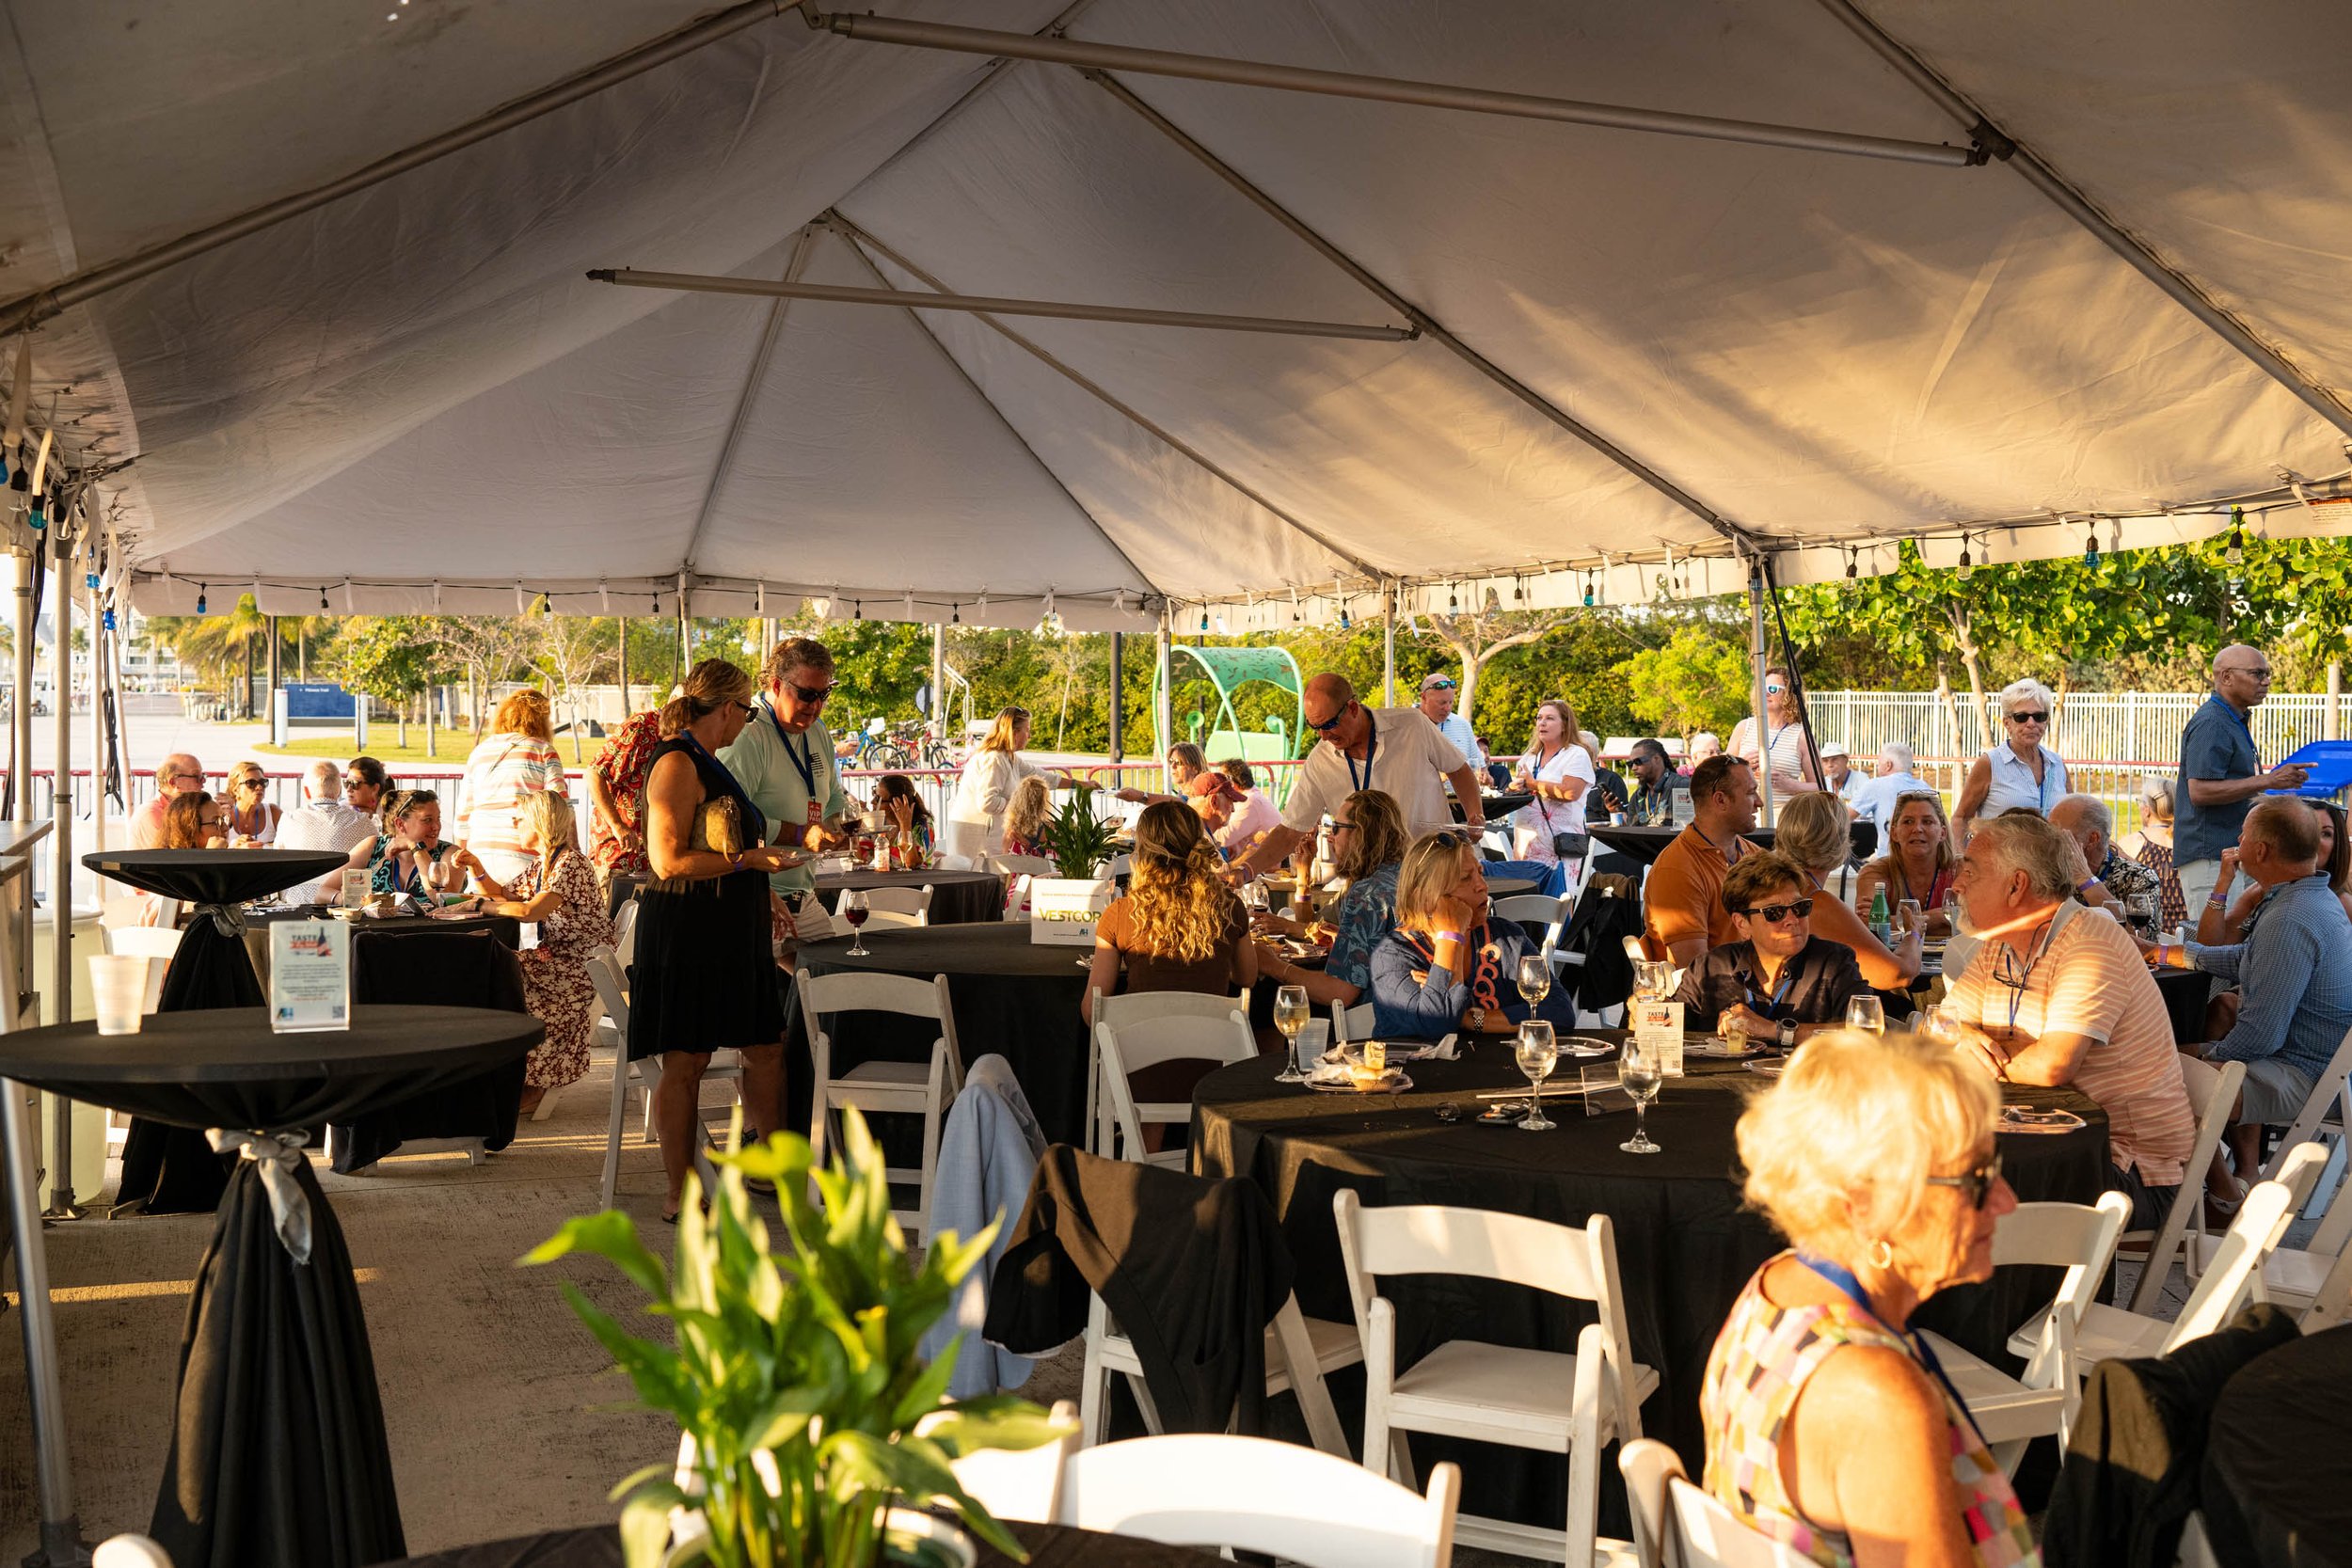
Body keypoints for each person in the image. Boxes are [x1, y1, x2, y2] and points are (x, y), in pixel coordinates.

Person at [1704, 1033, 2034, 1568]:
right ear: (1864, 1204)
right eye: (1977, 1179)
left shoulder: (1777, 1284)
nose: (2007, 1201)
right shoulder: (1878, 1394)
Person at [1941, 814, 2195, 1228]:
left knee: (1959, 1199)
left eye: (1969, 871)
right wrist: (1965, 1036)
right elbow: (1937, 1031)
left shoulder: (2091, 940)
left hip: (2123, 1167)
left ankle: (2032, 1294)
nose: (1956, 886)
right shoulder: (2002, 941)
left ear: (2016, 885)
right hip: (2038, 1141)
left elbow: (2053, 1067)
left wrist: (1979, 1052)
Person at [631, 659, 799, 1223]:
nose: (748, 721)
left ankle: (766, 1166)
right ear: (726, 708)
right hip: (688, 930)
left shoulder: (707, 760)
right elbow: (668, 859)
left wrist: (762, 889)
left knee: (767, 1046)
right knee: (688, 1059)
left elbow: (718, 843)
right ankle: (679, 1190)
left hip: (729, 927)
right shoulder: (678, 762)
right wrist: (750, 861)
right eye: (749, 710)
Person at [2150, 797, 2352, 1200]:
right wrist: (2160, 952)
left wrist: (2196, 1057)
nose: (2237, 840)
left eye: (2243, 834)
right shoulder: (2312, 897)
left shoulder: (2290, 917)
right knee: (2170, 1058)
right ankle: (2218, 1192)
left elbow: (2259, 1039)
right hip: (2320, 1066)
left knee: (2153, 1074)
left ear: (2260, 850)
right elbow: (2245, 956)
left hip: (2306, 1078)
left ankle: (2220, 1200)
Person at [1229, 673, 1484, 880]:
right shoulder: (1320, 761)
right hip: (1373, 885)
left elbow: (1458, 769)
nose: (1324, 736)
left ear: (1352, 708)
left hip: (1434, 870)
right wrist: (1247, 870)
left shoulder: (1411, 725)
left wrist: (1475, 815)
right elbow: (1290, 831)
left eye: (1328, 725)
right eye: (1315, 728)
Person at [455, 790, 613, 1115]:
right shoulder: (545, 863)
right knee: (496, 966)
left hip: (581, 966)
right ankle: (510, 1075)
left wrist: (480, 904)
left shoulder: (569, 864)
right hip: (559, 958)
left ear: (540, 823)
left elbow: (529, 911)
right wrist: (477, 867)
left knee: (502, 971)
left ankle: (533, 1082)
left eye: (521, 817)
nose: (515, 822)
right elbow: (503, 893)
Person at [1369, 830, 1576, 1040]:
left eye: (1480, 873)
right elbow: (1438, 1023)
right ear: (1425, 898)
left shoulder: (1506, 937)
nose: (1482, 886)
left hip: (1498, 1070)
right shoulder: (1392, 957)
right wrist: (1451, 934)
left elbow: (1560, 1011)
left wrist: (1472, 1019)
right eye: (1466, 878)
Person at [1673, 852, 1869, 1046]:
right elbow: (1669, 1024)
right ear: (1742, 924)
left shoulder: (1833, 962)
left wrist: (1774, 1030)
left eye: (1800, 907)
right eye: (1774, 912)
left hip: (1806, 1077)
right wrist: (1647, 1012)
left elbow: (1866, 1032)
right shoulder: (1710, 967)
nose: (1792, 920)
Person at [717, 638, 853, 911]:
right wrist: (800, 834)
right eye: (807, 695)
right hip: (758, 897)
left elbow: (834, 796)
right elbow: (728, 819)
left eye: (823, 695)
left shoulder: (817, 730)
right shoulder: (748, 734)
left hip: (804, 895)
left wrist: (839, 826)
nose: (815, 706)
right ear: (778, 685)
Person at [1084, 801, 1255, 1011]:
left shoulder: (1120, 913)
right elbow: (1247, 977)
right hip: (1210, 1041)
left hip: (1139, 1041)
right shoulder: (1229, 906)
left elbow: (1092, 1010)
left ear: (1142, 850)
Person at [2176, 644, 2310, 913]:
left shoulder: (2231, 718)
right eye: (2257, 673)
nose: (2267, 681)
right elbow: (2200, 791)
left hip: (2227, 857)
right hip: (2211, 859)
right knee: (2215, 948)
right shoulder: (2212, 722)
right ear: (2226, 677)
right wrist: (2268, 781)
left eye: (2268, 673)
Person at [1252, 788, 1407, 1006]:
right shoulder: (1407, 876)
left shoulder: (1367, 894)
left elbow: (1339, 992)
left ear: (1361, 833)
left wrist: (1273, 966)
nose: (1331, 838)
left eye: (1336, 828)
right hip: (1417, 1014)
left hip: (1378, 1022)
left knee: (1268, 1003)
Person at [1775, 790, 1920, 991]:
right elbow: (1897, 975)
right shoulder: (1813, 902)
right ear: (1838, 840)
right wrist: (1914, 934)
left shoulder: (1772, 888)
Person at [1645, 755, 1759, 966]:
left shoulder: (1756, 856)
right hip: (1715, 992)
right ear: (1721, 800)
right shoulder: (1676, 870)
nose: (1759, 803)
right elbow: (1696, 970)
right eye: (1751, 793)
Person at [454, 689, 568, 886]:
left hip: (480, 851)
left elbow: (463, 813)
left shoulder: (480, 751)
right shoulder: (542, 750)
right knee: (524, 912)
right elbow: (559, 806)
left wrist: (462, 854)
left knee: (487, 911)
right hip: (524, 850)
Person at [1950, 680, 2070, 847]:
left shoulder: (2057, 765)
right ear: (2007, 723)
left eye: (2039, 716)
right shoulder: (1990, 763)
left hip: (2050, 867)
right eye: (2021, 717)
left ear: (2046, 721)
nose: (2031, 723)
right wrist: (1959, 858)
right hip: (1999, 865)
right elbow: (1961, 817)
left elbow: (2072, 818)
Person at [947, 706, 1073, 861]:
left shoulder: (1009, 757)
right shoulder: (994, 759)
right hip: (977, 838)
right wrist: (1019, 806)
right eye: (1027, 730)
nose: (1030, 735)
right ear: (1013, 732)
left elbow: (1042, 777)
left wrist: (1078, 784)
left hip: (988, 835)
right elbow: (987, 802)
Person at [1852, 791, 1957, 942]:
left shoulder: (1961, 870)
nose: (1917, 829)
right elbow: (1866, 925)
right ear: (1894, 833)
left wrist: (1892, 922)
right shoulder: (1875, 873)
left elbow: (1974, 921)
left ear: (1942, 833)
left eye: (1927, 822)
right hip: (1893, 961)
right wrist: (1938, 918)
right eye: (1908, 822)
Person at [1509, 699, 1596, 874]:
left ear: (1565, 725)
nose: (1542, 722)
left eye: (1549, 718)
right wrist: (1512, 788)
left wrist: (1533, 784)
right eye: (1539, 718)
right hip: (1526, 843)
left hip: (1560, 845)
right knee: (1527, 894)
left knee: (1558, 897)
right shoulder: (1530, 757)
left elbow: (1570, 792)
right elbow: (1518, 793)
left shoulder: (1576, 754)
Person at [2047, 794, 2163, 923]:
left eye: (2057, 833)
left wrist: (2085, 880)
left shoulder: (2138, 878)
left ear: (2092, 839)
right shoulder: (2050, 873)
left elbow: (2141, 937)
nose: (2048, 839)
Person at [587, 705, 662, 896]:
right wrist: (617, 824)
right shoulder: (641, 726)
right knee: (612, 921)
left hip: (651, 860)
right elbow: (595, 773)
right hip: (618, 858)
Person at [275, 760, 374, 902]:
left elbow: (278, 863)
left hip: (298, 902)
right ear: (339, 790)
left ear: (307, 792)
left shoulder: (289, 819)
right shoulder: (362, 821)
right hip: (346, 903)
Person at [1726, 667, 1823, 805]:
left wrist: (1789, 784)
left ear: (1789, 694)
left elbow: (1821, 786)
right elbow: (1721, 774)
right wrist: (1740, 764)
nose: (1765, 693)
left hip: (1784, 820)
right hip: (1745, 819)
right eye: (1762, 688)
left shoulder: (1801, 736)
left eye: (1772, 689)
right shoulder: (1744, 727)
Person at [346, 789, 465, 896]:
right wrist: (343, 898)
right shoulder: (374, 846)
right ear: (400, 824)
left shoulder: (450, 853)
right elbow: (327, 888)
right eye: (427, 820)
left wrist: (415, 847)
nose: (436, 827)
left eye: (438, 819)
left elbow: (443, 898)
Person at [2118, 775, 2188, 932]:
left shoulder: (2134, 843)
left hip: (2147, 931)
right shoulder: (2189, 842)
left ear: (2147, 809)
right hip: (2185, 932)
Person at [1848, 740, 1934, 832]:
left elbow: (1844, 817)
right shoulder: (1925, 787)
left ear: (1888, 765)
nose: (1877, 768)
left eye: (1879, 764)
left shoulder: (1876, 785)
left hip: (1891, 845)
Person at [131, 753, 206, 848]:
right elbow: (172, 858)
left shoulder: (187, 812)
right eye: (196, 776)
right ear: (173, 782)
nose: (203, 781)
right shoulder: (152, 813)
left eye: (203, 776)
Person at [1416, 673, 1483, 769]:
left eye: (1451, 702)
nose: (1447, 708)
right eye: (1442, 703)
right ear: (1424, 698)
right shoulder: (1407, 725)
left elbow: (1479, 767)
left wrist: (1485, 775)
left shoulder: (1463, 725)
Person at [1214, 760, 1280, 851]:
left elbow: (1222, 839)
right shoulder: (1253, 798)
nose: (1217, 786)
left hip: (1270, 860)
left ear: (1232, 783)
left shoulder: (1249, 803)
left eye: (1220, 781)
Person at [1113, 742, 1206, 806]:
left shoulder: (1203, 794)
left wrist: (1141, 796)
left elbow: (1181, 804)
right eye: (1171, 761)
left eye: (1178, 762)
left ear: (1195, 768)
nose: (1172, 766)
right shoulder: (1183, 793)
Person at [1623, 738, 1683, 826]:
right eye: (1630, 764)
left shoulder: (1681, 786)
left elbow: (1686, 829)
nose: (1633, 768)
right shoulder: (1637, 796)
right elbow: (1632, 831)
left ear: (1656, 759)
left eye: (1638, 762)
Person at [219, 761, 280, 846]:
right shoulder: (223, 817)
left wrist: (262, 846)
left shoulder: (273, 812)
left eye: (263, 782)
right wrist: (235, 846)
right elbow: (213, 850)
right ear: (235, 789)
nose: (259, 787)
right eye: (251, 783)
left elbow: (289, 844)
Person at [1582, 731, 1631, 821]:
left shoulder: (1611, 780)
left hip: (1597, 833)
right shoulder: (1563, 779)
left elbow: (1624, 820)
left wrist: (1614, 811)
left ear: (1591, 753)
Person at [1003, 775, 1054, 859]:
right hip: (1045, 870)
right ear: (1044, 802)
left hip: (1018, 871)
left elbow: (1005, 863)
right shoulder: (1051, 829)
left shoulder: (1010, 833)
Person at [161, 791, 228, 850]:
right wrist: (212, 857)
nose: (225, 827)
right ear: (190, 830)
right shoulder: (166, 863)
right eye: (216, 822)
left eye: (222, 819)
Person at [343, 755, 390, 828]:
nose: (349, 789)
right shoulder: (342, 811)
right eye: (346, 783)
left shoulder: (392, 813)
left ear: (375, 788)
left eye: (355, 783)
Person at [1819, 741, 1867, 807]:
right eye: (1825, 761)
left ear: (1845, 760)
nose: (1830, 765)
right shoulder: (1823, 783)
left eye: (1834, 759)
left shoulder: (1861, 779)